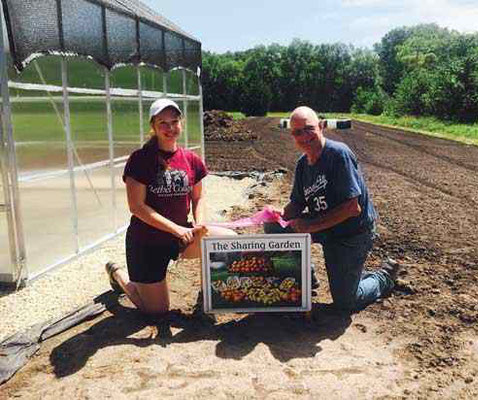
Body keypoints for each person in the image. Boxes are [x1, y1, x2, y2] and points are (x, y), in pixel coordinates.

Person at [106, 98, 235, 316]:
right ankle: (118, 275)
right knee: (156, 312)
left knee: (227, 240)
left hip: (179, 239)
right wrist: (178, 230)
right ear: (153, 126)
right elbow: (137, 207)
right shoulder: (140, 160)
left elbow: (199, 198)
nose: (170, 128)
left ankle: (209, 297)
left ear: (181, 124)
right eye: (163, 123)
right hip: (146, 243)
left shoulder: (191, 159)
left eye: (174, 122)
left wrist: (200, 223)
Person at [265, 106, 398, 311]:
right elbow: (298, 204)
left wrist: (310, 226)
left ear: (321, 126)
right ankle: (304, 278)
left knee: (346, 301)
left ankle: (384, 277)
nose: (304, 136)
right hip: (324, 226)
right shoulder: (303, 164)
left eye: (309, 129)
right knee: (273, 227)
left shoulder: (338, 154)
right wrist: (280, 214)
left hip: (351, 232)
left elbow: (352, 208)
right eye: (297, 132)